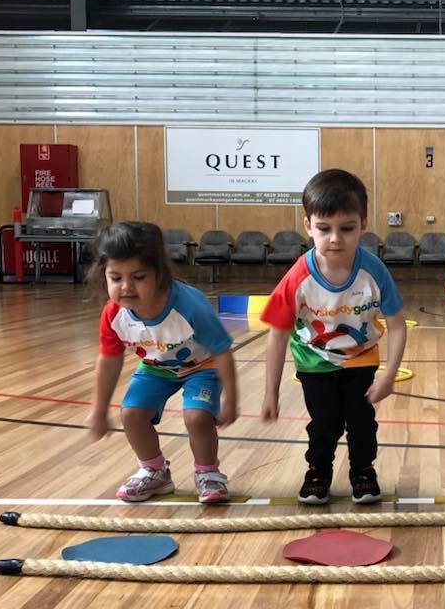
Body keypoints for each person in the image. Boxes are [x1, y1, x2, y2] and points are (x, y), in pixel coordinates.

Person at [260, 169, 406, 505]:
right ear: (308, 226)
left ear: (363, 224)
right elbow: (278, 334)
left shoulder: (374, 271)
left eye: (347, 228)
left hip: (361, 357)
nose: (335, 238)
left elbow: (397, 324)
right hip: (315, 361)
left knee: (361, 422)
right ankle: (318, 470)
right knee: (324, 422)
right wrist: (270, 392)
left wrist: (389, 374)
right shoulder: (297, 277)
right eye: (324, 229)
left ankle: (362, 470)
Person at [86, 221, 237, 503]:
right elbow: (108, 361)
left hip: (202, 368)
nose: (127, 287)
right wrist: (99, 409)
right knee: (131, 415)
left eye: (139, 277)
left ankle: (208, 474)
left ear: (160, 274)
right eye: (115, 278)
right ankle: (154, 472)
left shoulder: (190, 305)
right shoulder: (113, 314)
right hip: (155, 368)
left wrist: (231, 400)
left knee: (197, 417)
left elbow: (222, 351)